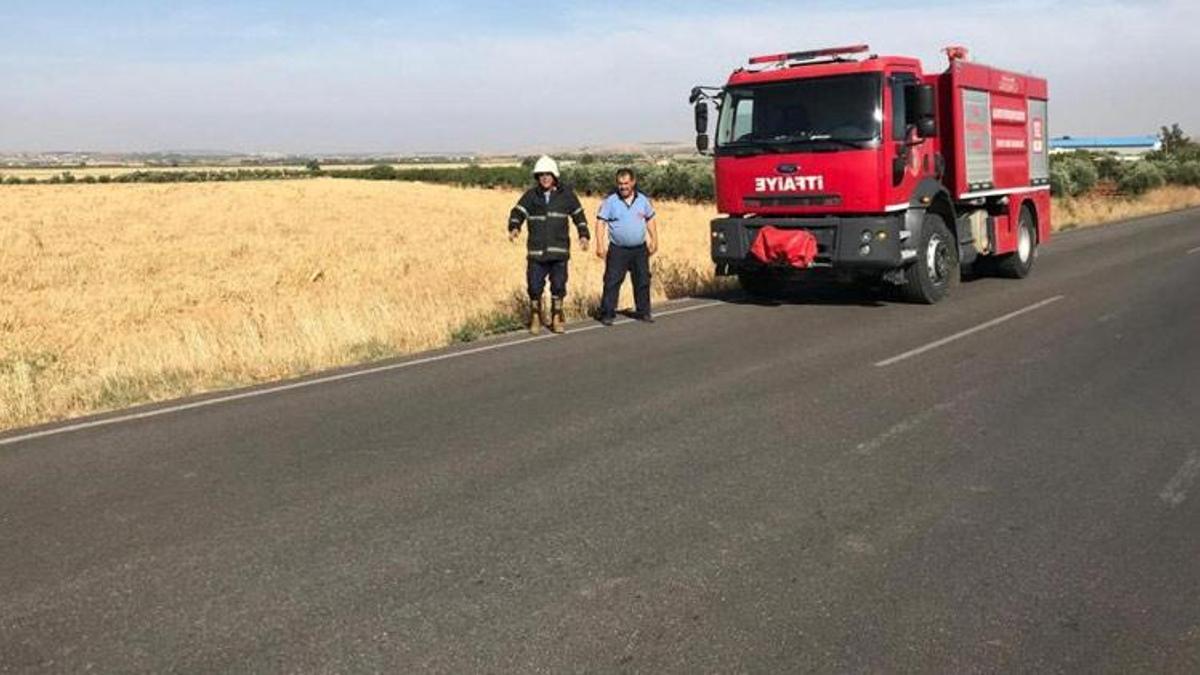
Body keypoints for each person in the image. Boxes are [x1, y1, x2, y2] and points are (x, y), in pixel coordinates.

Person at [507, 156, 590, 334]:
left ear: (555, 176)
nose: (545, 178)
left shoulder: (567, 195)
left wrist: (584, 236)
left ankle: (556, 317)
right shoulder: (531, 195)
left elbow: (579, 216)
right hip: (537, 252)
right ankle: (536, 317)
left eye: (548, 174)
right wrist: (514, 227)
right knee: (534, 286)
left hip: (559, 252)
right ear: (537, 177)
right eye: (541, 175)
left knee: (559, 286)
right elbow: (517, 212)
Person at [595, 167, 658, 325]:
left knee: (642, 280)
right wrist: (600, 245)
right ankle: (608, 313)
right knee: (612, 281)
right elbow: (600, 222)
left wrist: (655, 239)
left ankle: (644, 312)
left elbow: (650, 219)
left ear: (633, 182)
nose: (623, 187)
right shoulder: (610, 201)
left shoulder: (643, 200)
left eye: (626, 183)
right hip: (618, 249)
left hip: (639, 248)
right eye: (620, 184)